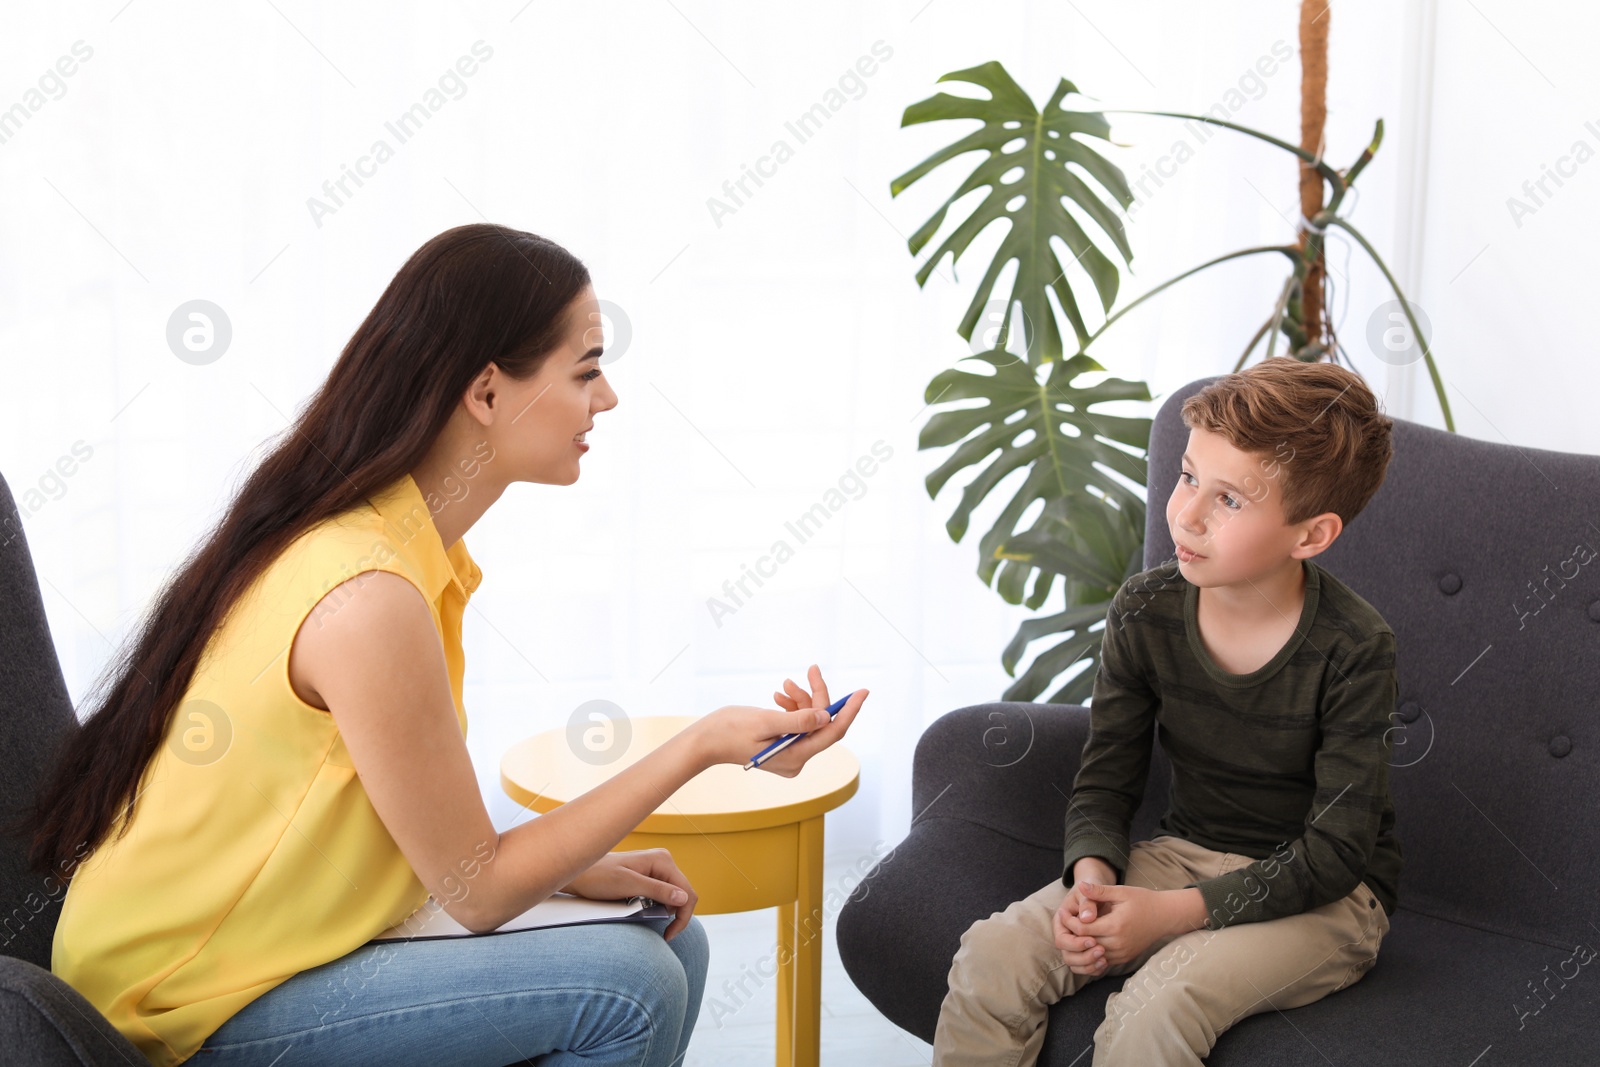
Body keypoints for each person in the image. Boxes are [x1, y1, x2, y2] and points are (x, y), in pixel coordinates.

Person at [24, 223, 868, 1066]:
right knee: (627, 983)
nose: (605, 398)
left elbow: (419, 830)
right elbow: (481, 891)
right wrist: (704, 743)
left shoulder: (405, 551)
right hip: (171, 1014)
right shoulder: (366, 594)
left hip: (255, 958)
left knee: (671, 942)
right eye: (585, 370)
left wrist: (572, 873)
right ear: (488, 393)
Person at [932, 358, 1401, 1066]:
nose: (1185, 514)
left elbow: (1335, 854)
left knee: (1159, 1005)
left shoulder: (1355, 646)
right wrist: (1091, 880)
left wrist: (1173, 915)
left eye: (1230, 500)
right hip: (1182, 853)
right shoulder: (1146, 609)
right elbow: (1106, 777)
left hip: (1328, 899)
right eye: (1187, 477)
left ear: (1310, 535)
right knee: (993, 955)